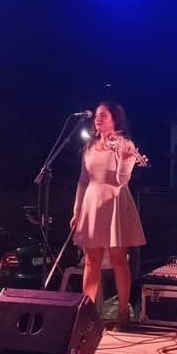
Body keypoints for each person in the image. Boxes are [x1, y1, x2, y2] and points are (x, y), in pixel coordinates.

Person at [70, 101, 146, 330]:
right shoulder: (90, 146)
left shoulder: (125, 144)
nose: (98, 118)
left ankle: (123, 312)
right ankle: (87, 313)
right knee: (90, 261)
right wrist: (76, 210)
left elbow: (122, 180)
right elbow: (83, 180)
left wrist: (125, 158)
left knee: (118, 260)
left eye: (103, 115)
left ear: (115, 119)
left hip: (115, 201)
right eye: (97, 115)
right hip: (92, 202)